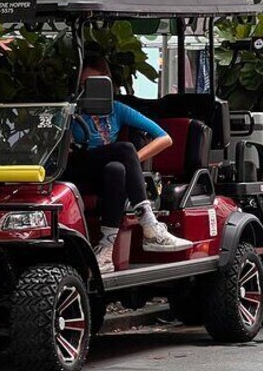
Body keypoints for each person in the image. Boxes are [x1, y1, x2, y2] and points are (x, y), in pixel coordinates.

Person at [65, 56, 191, 274]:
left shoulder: (117, 109)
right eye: (84, 84)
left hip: (104, 175)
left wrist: (133, 159)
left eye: (96, 83)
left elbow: (164, 138)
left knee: (118, 168)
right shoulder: (71, 109)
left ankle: (106, 249)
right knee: (124, 151)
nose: (90, 89)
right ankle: (149, 224)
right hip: (76, 169)